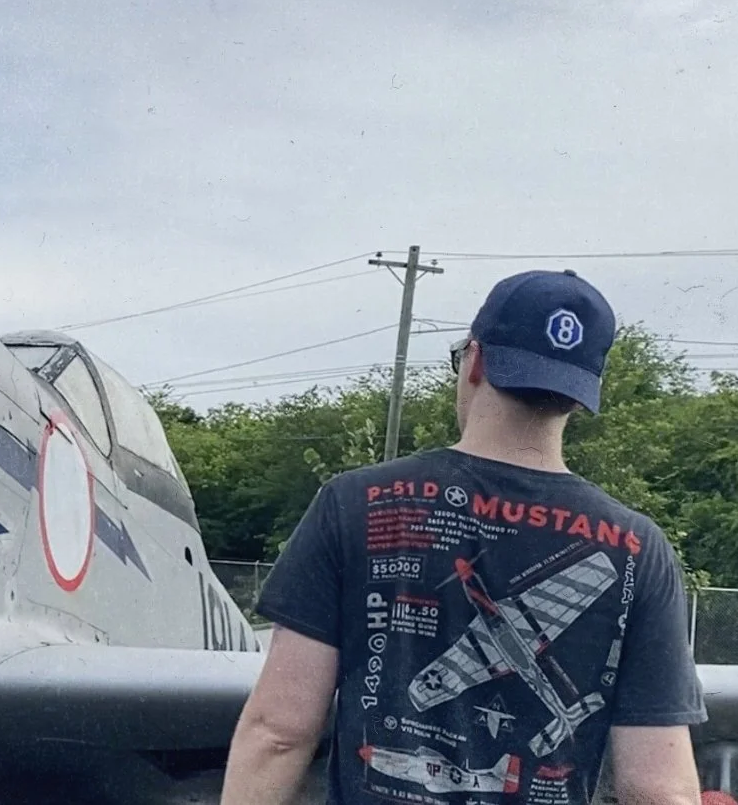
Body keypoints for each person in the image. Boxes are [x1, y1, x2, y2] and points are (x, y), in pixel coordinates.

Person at [221, 269, 706, 805]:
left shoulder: (353, 501)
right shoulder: (636, 547)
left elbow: (279, 732)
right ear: (578, 397)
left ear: (474, 361)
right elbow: (659, 789)